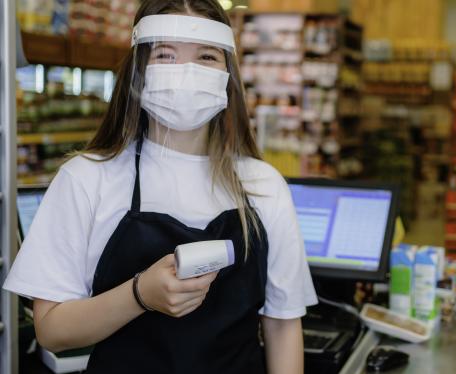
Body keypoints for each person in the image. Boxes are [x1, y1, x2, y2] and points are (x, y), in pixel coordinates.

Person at [3, 1, 317, 373]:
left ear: (228, 74)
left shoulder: (263, 186)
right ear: (139, 71)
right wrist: (139, 295)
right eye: (166, 55)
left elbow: (282, 325)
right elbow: (51, 329)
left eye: (206, 57)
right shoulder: (86, 179)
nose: (186, 72)